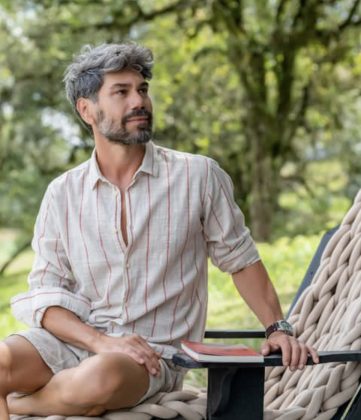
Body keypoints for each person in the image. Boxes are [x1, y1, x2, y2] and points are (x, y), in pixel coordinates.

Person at [0, 43, 319, 418]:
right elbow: (46, 297)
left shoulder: (198, 176)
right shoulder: (62, 193)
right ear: (86, 110)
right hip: (74, 341)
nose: (139, 101)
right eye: (121, 92)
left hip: (153, 357)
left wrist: (277, 328)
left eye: (142, 89)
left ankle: (23, 403)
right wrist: (100, 341)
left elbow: (241, 261)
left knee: (99, 379)